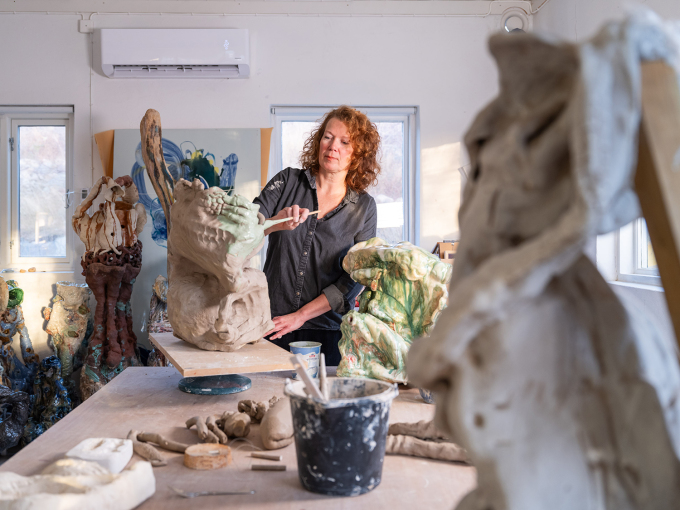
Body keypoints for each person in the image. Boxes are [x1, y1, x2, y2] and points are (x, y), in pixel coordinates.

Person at [253, 106, 380, 366]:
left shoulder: (365, 208)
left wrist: (301, 315)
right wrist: (277, 223)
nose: (333, 146)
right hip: (270, 324)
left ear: (358, 155)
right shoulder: (287, 182)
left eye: (345, 142)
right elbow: (244, 228)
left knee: (321, 403)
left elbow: (355, 278)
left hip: (328, 333)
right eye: (328, 137)